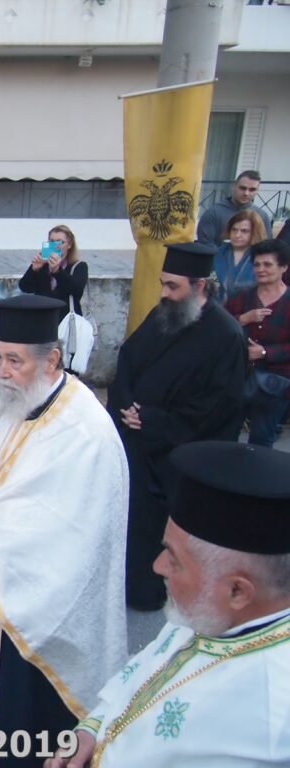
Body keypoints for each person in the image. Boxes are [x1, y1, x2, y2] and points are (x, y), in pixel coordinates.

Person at [0, 294, 128, 767]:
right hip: (4, 592)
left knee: (31, 715)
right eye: (0, 357)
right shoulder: (30, 402)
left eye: (14, 361)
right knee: (3, 708)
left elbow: (77, 536)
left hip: (46, 610)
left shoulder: (86, 431)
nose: (2, 372)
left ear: (52, 360)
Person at [45, 441, 290, 768]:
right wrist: (94, 727)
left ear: (237, 592)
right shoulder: (208, 614)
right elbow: (145, 674)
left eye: (175, 560)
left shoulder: (274, 719)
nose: (158, 566)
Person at [107, 243, 247, 611]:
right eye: (163, 284)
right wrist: (125, 405)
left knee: (152, 530)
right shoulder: (164, 313)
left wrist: (153, 421)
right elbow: (128, 359)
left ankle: (145, 592)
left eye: (173, 286)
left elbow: (219, 407)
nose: (165, 294)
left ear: (199, 285)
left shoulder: (227, 336)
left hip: (173, 455)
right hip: (134, 441)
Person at [225, 239, 290, 447]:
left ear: (283, 267)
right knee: (225, 433)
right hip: (237, 377)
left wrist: (265, 352)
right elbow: (219, 328)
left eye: (267, 264)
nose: (261, 269)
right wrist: (244, 318)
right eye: (257, 264)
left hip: (275, 381)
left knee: (262, 439)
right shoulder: (241, 297)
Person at [18, 224, 88, 324]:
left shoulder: (79, 266)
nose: (55, 246)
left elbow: (76, 289)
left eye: (60, 242)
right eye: (51, 242)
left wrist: (57, 271)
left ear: (69, 245)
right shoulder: (43, 265)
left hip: (66, 321)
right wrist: (33, 270)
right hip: (42, 319)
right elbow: (25, 287)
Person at [196, 170, 273, 246]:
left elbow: (267, 247)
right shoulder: (213, 213)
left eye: (252, 190)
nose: (246, 193)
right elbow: (205, 247)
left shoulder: (262, 216)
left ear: (257, 191)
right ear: (233, 187)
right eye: (243, 188)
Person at [212, 209, 266, 302]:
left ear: (254, 232)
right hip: (217, 307)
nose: (237, 235)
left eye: (244, 231)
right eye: (234, 230)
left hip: (250, 307)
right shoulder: (217, 254)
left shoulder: (262, 257)